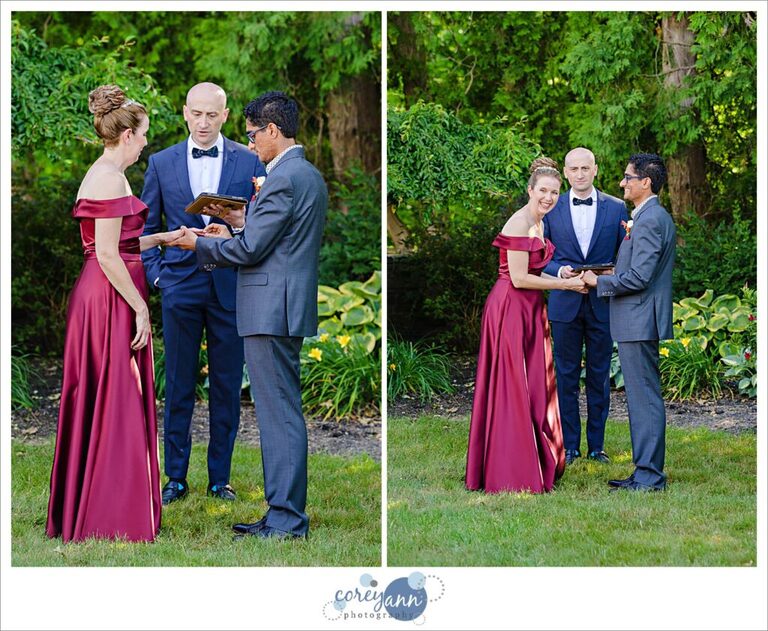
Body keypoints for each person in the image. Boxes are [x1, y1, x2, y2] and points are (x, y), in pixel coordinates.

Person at [168, 91, 327, 539]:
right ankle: (280, 512)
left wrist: (198, 244)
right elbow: (274, 238)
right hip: (280, 306)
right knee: (280, 413)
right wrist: (238, 223)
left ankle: (287, 519)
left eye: (254, 134)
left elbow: (252, 250)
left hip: (270, 309)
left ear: (273, 130)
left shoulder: (283, 178)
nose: (251, 142)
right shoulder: (305, 174)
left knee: (279, 417)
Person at [47, 85, 181, 542]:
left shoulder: (112, 174)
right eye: (143, 135)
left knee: (115, 393)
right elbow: (104, 254)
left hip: (109, 292)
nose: (145, 142)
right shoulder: (106, 177)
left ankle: (106, 503)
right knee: (115, 394)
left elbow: (119, 242)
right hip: (107, 299)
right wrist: (140, 307)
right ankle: (108, 512)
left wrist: (162, 238)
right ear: (127, 136)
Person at [141, 82, 265, 505]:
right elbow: (145, 230)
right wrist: (159, 278)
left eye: (212, 115)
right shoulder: (161, 162)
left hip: (230, 286)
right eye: (197, 113)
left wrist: (235, 231)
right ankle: (175, 477)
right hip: (179, 286)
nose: (204, 122)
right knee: (178, 384)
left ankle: (219, 479)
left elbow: (261, 224)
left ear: (225, 116)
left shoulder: (249, 160)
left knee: (226, 387)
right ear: (185, 112)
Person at [465, 158, 587, 494]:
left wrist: (560, 273)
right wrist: (565, 286)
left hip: (530, 309)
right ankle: (511, 468)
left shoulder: (539, 222)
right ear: (530, 190)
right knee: (513, 385)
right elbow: (519, 278)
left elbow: (534, 269)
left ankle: (534, 455)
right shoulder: (519, 223)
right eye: (543, 191)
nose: (548, 197)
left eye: (554, 192)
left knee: (533, 383)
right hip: (510, 309)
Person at [582, 153, 675, 492]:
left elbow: (641, 277)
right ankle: (644, 471)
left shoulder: (650, 220)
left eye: (628, 177)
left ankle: (650, 476)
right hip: (638, 318)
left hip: (639, 318)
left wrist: (599, 282)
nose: (622, 183)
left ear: (645, 182)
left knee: (644, 398)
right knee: (640, 397)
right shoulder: (649, 216)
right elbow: (636, 269)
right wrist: (611, 271)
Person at [542, 148, 629, 466]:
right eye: (574, 169)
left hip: (601, 303)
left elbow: (624, 255)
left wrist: (608, 274)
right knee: (565, 376)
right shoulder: (551, 207)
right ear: (566, 173)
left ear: (595, 170)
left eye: (585, 168)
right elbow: (541, 256)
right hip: (564, 303)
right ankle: (570, 446)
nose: (579, 174)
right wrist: (559, 271)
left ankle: (596, 446)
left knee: (599, 375)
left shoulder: (616, 207)